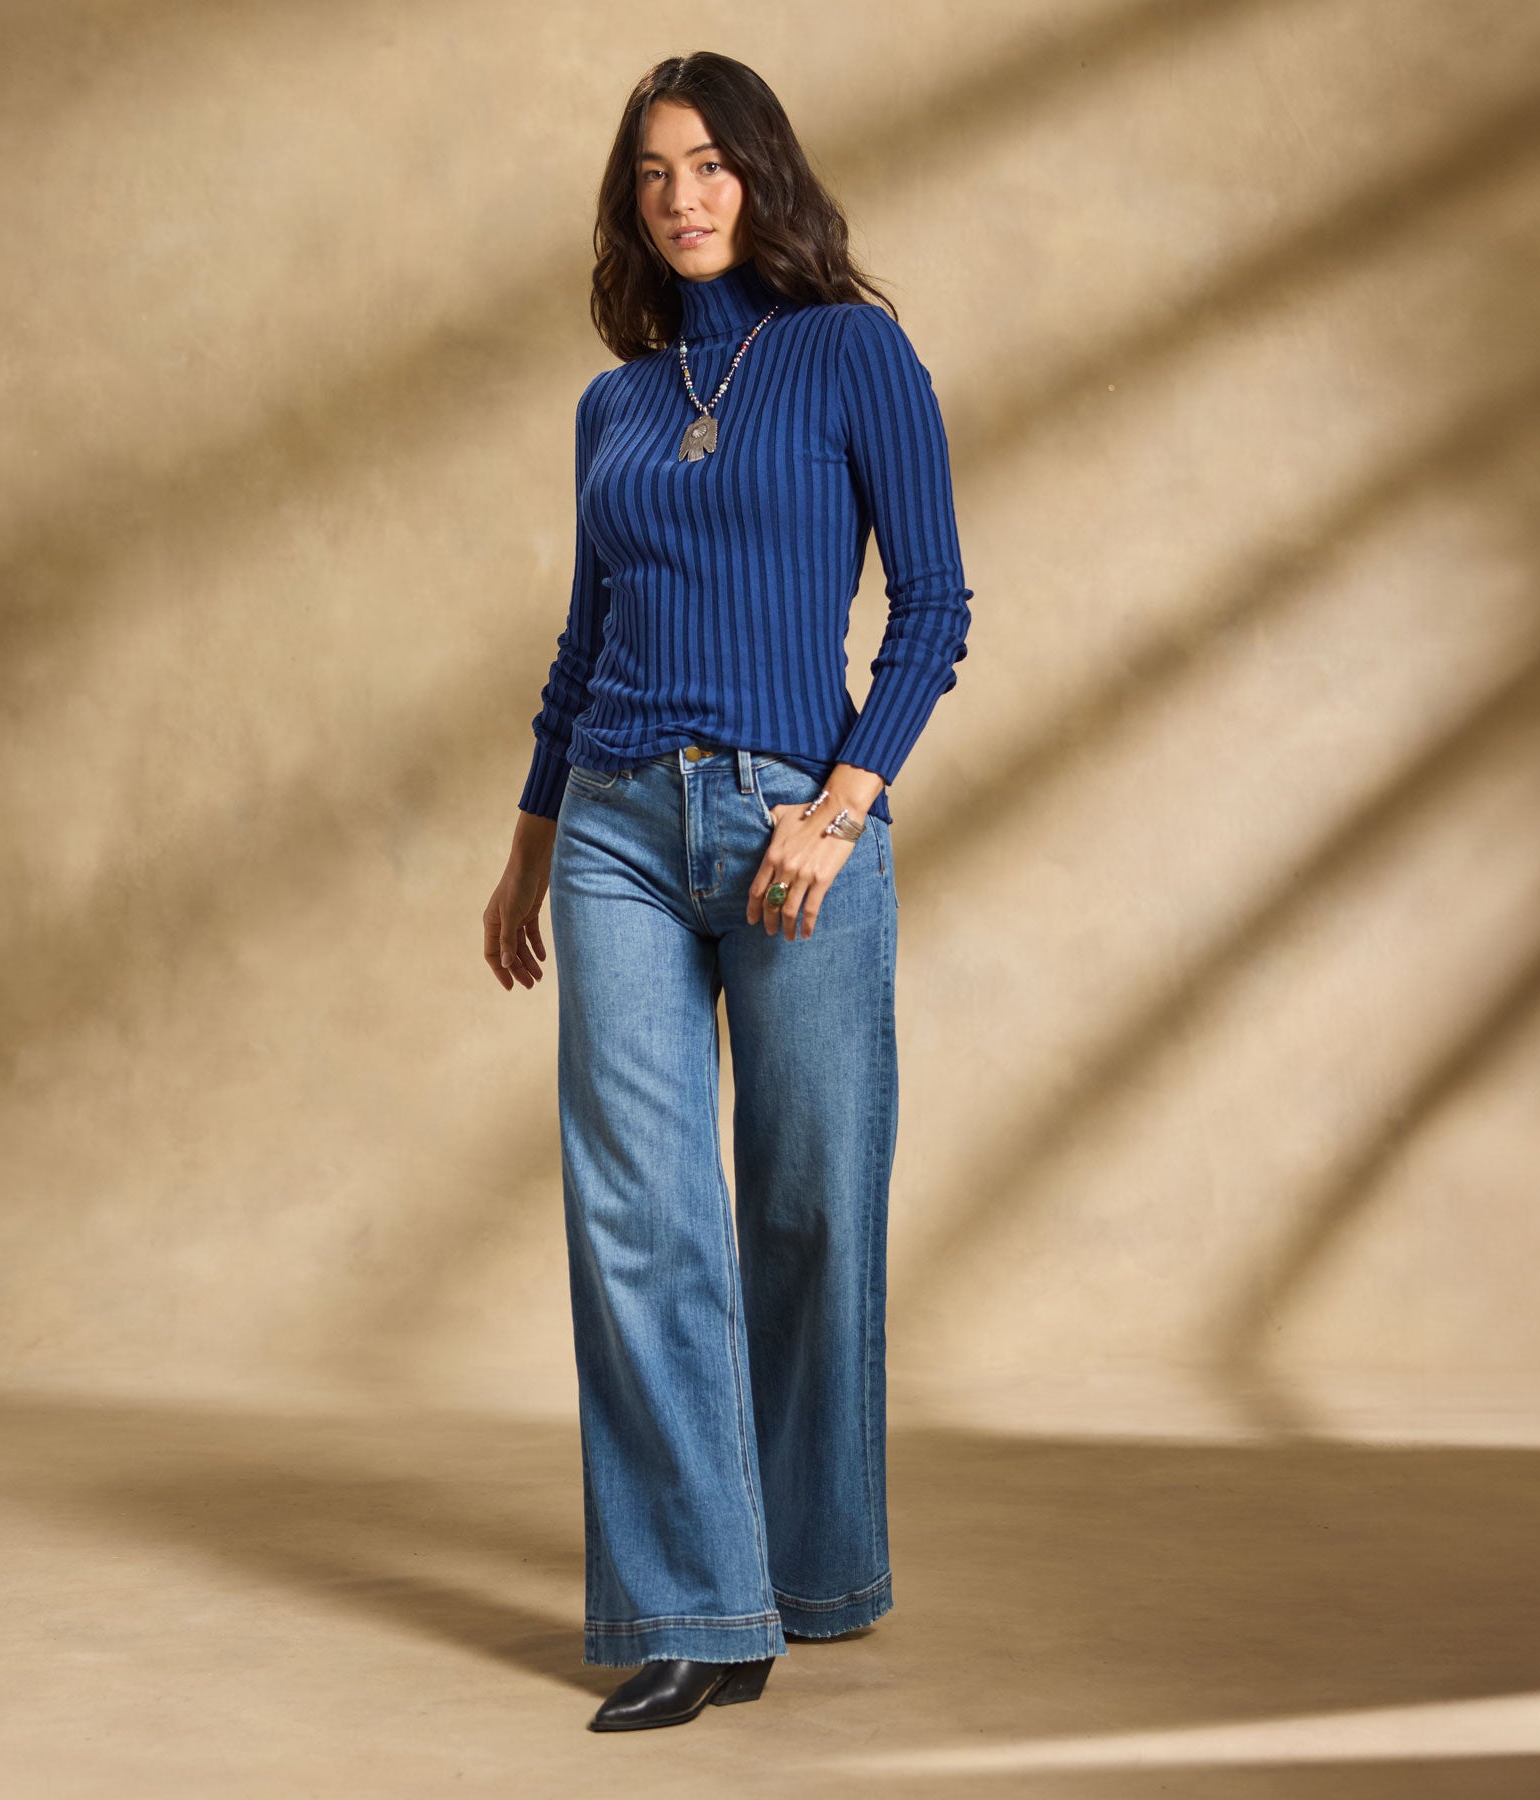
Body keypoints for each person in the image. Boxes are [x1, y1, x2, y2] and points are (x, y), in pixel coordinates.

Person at [481, 50, 973, 1733]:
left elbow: (932, 608)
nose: (683, 197)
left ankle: (812, 1568)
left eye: (709, 164)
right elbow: (585, 638)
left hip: (788, 827)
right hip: (618, 825)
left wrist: (839, 809)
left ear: (763, 174)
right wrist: (531, 839)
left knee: (809, 1200)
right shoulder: (615, 405)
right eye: (653, 174)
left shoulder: (852, 352)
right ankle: (702, 1609)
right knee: (638, 1213)